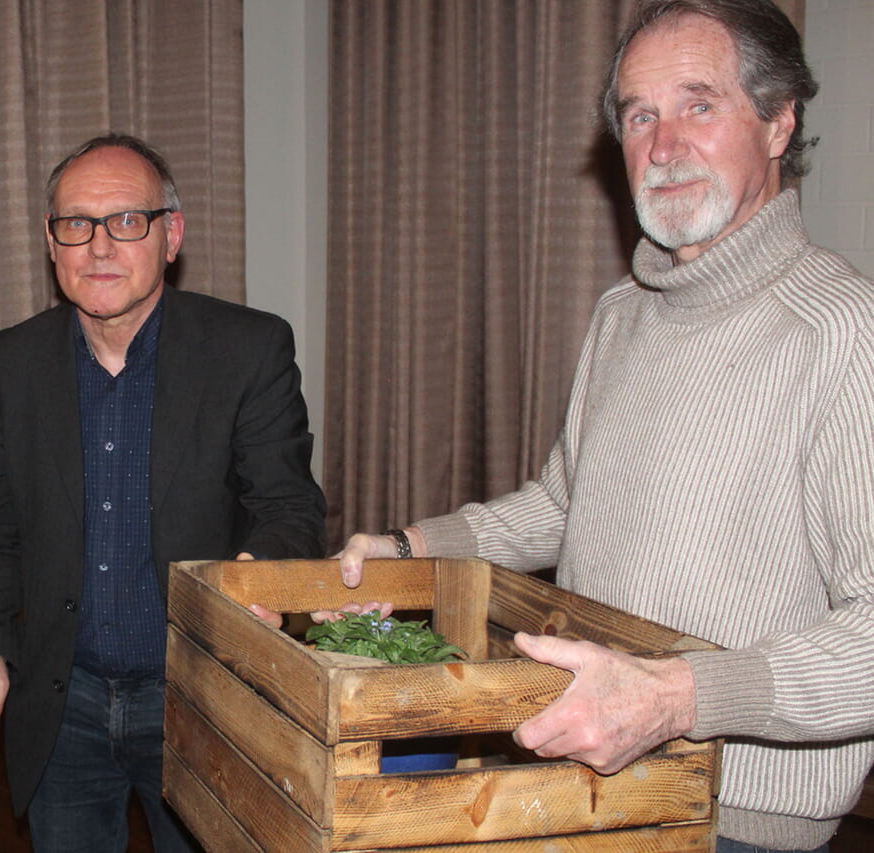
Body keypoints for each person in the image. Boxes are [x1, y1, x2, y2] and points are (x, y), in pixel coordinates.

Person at [327, 2, 874, 851]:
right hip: (578, 783)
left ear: (778, 124)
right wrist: (409, 549)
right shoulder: (622, 313)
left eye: (699, 104)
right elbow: (563, 502)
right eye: (639, 115)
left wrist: (676, 696)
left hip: (728, 819)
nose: (663, 144)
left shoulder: (844, 328)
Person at [0, 134, 326, 852]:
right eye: (76, 224)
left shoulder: (250, 348)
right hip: (64, 701)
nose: (98, 247)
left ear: (171, 234)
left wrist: (254, 574)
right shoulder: (5, 365)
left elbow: (289, 506)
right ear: (51, 243)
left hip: (195, 694)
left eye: (127, 221)